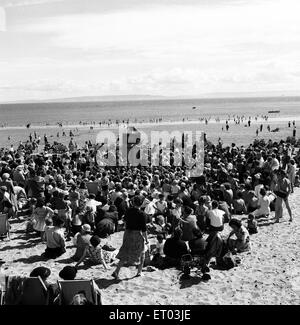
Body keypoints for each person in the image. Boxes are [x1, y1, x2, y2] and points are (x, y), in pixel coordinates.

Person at [112, 196, 148, 279]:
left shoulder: (128, 211)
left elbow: (124, 220)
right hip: (136, 234)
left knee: (125, 252)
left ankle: (117, 271)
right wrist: (146, 239)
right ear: (141, 204)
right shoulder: (142, 214)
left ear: (133, 202)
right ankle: (139, 272)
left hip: (127, 233)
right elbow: (144, 229)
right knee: (142, 252)